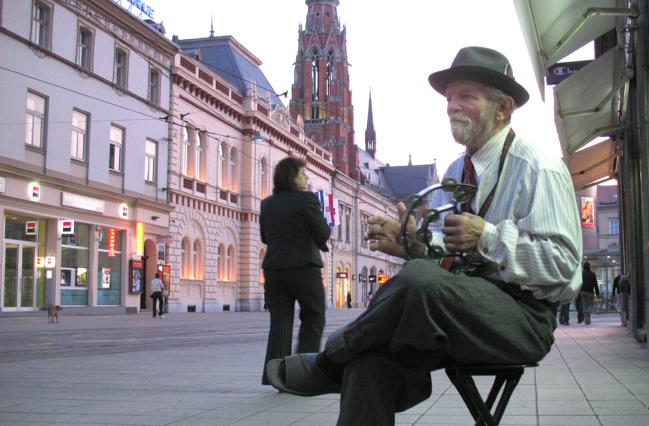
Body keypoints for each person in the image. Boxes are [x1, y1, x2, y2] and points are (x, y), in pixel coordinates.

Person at [265, 46, 583, 426]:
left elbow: (566, 272)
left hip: (521, 319)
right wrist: (410, 244)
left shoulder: (538, 167)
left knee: (418, 280)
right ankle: (346, 362)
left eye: (467, 96)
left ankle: (331, 360)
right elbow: (445, 258)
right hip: (454, 310)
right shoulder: (454, 169)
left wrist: (489, 237)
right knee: (369, 364)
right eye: (450, 98)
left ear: (503, 108)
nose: (452, 106)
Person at [259, 156, 331, 385]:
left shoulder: (267, 203)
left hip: (274, 270)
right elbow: (322, 233)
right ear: (292, 177)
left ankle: (276, 374)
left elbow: (264, 237)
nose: (307, 178)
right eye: (303, 174)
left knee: (280, 322)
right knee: (313, 316)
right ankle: (301, 373)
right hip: (303, 268)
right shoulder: (307, 200)